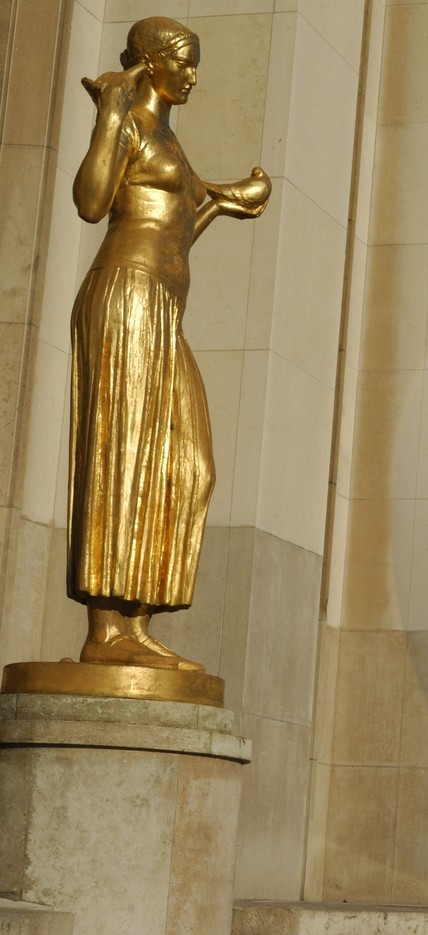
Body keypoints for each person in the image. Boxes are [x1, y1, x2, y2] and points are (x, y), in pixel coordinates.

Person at [70, 17, 271, 671]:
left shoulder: (172, 142)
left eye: (194, 64)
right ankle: (108, 631)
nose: (192, 75)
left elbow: (179, 230)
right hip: (124, 295)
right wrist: (108, 111)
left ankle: (138, 621)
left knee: (188, 466)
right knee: (122, 450)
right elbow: (92, 201)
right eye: (184, 62)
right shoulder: (128, 122)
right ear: (150, 62)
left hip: (164, 308)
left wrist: (225, 203)